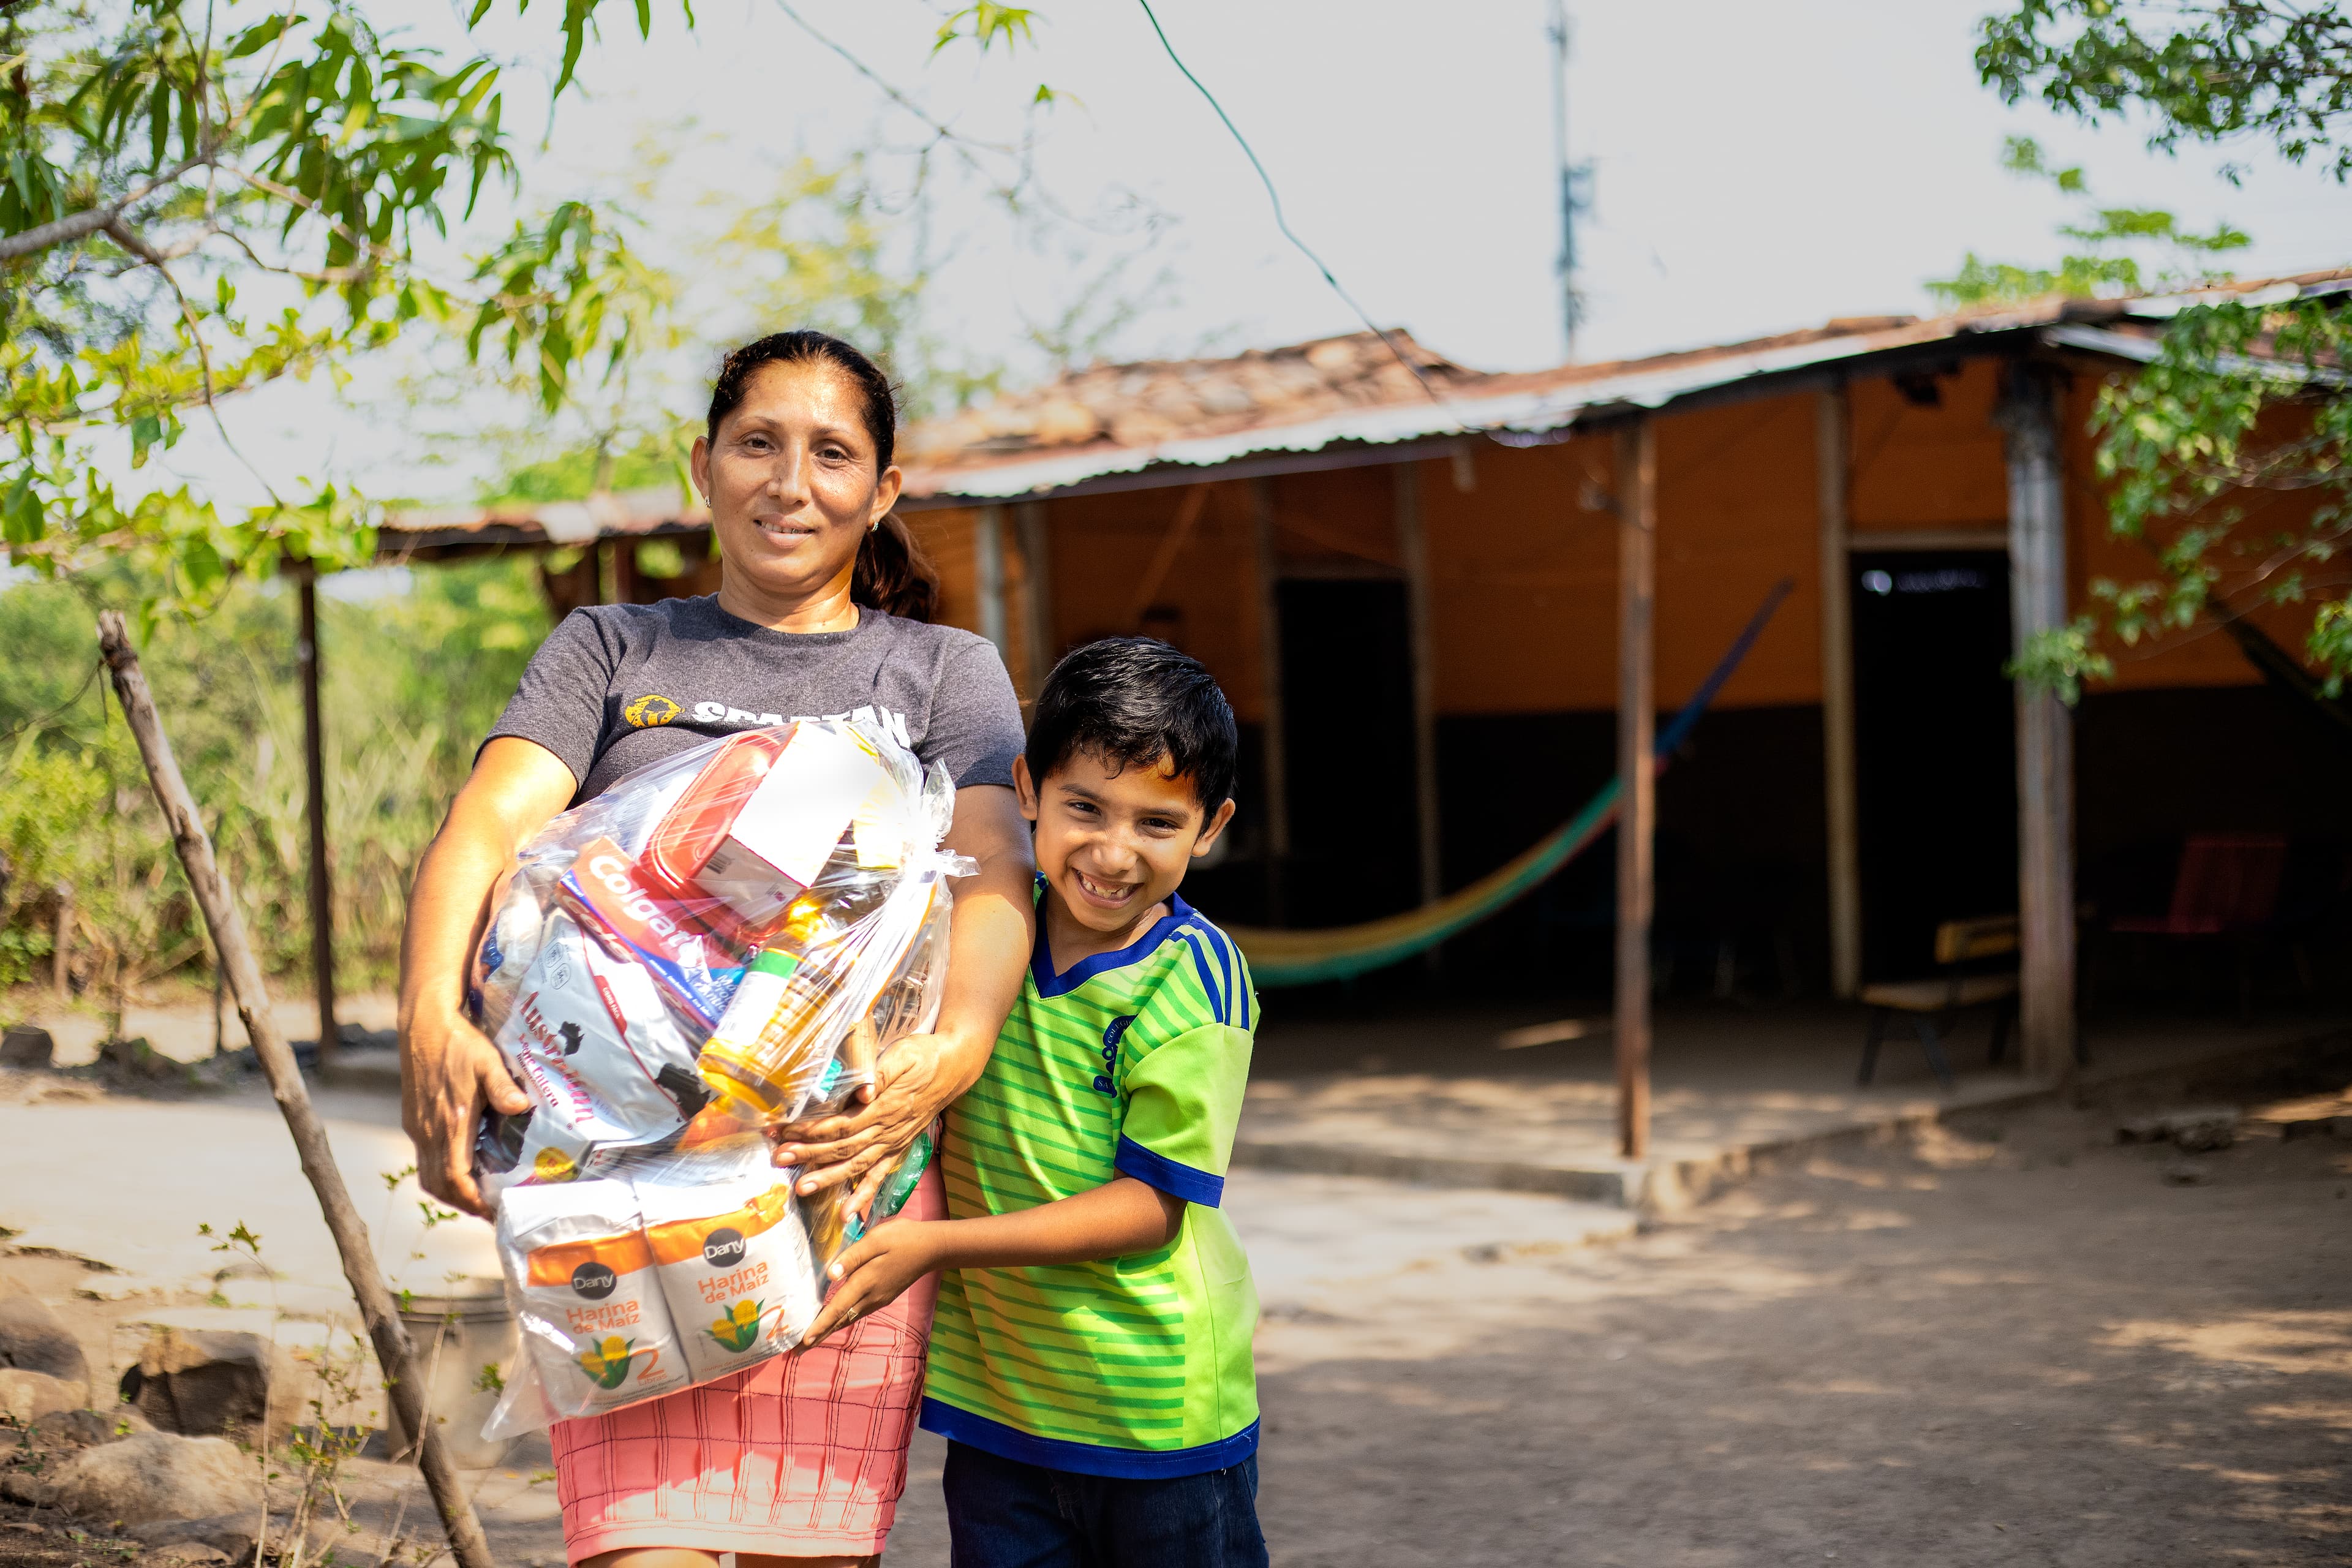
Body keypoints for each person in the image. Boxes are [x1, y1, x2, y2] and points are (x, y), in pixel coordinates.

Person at [396, 328, 1036, 1567]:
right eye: (758, 443)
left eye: (832, 453)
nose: (790, 483)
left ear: (884, 490)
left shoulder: (941, 670)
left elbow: (997, 864)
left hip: (841, 1201)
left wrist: (956, 1042)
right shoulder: (612, 649)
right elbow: (485, 828)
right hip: (612, 1200)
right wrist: (433, 1010)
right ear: (703, 465)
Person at [805, 638, 1268, 1568]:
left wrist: (934, 1247)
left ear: (1210, 828)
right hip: (1002, 1415)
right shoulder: (972, 935)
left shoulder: (1192, 979)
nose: (1111, 851)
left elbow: (1151, 1209)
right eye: (1084, 807)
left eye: (1156, 824)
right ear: (1026, 789)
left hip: (1155, 1416)